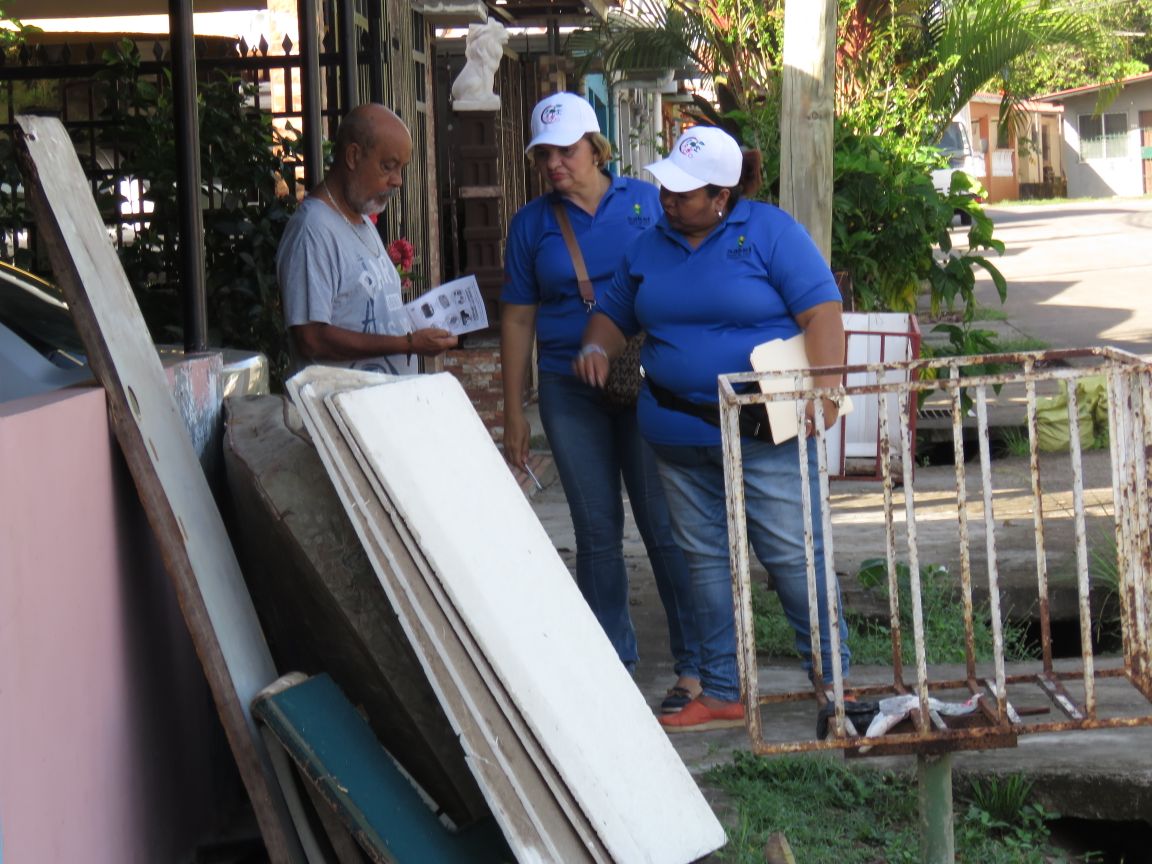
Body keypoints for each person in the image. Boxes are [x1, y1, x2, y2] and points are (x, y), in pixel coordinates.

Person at [574, 125, 851, 733]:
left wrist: (827, 390)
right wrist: (596, 347)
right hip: (677, 436)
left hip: (763, 435)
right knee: (703, 565)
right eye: (666, 188)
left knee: (792, 558)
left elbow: (822, 312)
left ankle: (833, 683)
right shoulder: (649, 246)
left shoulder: (770, 233)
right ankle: (722, 687)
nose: (668, 200)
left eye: (683, 193)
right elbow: (613, 314)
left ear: (722, 195)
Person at [501, 92, 702, 713]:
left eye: (566, 151)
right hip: (568, 387)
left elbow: (685, 278)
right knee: (595, 529)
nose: (554, 164)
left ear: (596, 147)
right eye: (544, 155)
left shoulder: (648, 203)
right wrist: (513, 411)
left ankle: (697, 664)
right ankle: (611, 664)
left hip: (647, 381)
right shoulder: (531, 224)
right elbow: (517, 319)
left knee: (661, 524)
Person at [278, 103, 457, 375]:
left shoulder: (361, 220)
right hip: (342, 400)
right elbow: (311, 338)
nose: (398, 180)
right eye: (388, 166)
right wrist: (407, 343)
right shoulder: (312, 230)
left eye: (401, 169)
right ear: (353, 156)